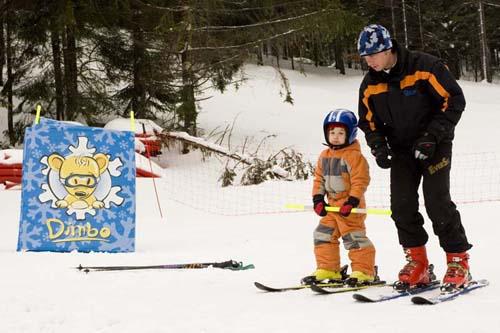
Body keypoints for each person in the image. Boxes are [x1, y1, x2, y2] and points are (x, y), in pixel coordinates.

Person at [356, 24, 472, 290]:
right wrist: (378, 146)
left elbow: (454, 101)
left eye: (372, 55)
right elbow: (368, 121)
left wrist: (432, 136)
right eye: (365, 57)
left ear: (388, 49)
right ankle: (417, 263)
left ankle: (458, 261)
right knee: (401, 206)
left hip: (435, 144)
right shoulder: (370, 83)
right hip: (402, 150)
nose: (369, 61)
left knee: (437, 202)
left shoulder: (425, 66)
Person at [302, 109, 376, 285]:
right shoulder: (324, 155)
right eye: (331, 132)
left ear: (350, 134)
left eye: (341, 133)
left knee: (354, 238)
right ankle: (328, 268)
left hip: (350, 208)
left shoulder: (354, 156)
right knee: (323, 234)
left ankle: (364, 271)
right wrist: (318, 199)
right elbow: (318, 179)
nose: (335, 136)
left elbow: (360, 181)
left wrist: (352, 201)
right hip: (331, 207)